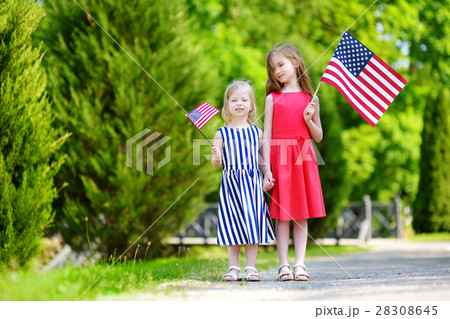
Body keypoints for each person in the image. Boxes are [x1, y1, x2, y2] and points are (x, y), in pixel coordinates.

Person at [262, 44, 326, 281]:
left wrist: (309, 120)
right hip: (280, 158)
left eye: (281, 65)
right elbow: (265, 136)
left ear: (296, 62)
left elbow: (318, 136)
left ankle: (300, 264)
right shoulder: (272, 99)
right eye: (273, 68)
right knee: (282, 214)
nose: (277, 71)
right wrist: (266, 169)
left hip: (303, 158)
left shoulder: (311, 98)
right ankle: (283, 265)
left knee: (301, 213)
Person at [211, 80, 275, 282]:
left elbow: (261, 159)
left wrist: (267, 174)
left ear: (251, 106)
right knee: (233, 223)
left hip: (252, 184)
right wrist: (216, 156)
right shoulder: (221, 133)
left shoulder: (257, 132)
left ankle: (251, 267)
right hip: (231, 184)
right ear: (227, 105)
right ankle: (233, 268)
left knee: (252, 222)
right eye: (234, 100)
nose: (239, 103)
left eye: (244, 99)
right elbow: (216, 165)